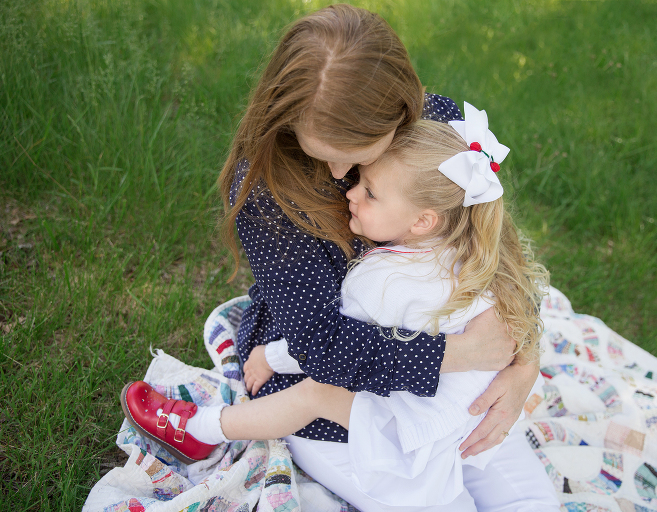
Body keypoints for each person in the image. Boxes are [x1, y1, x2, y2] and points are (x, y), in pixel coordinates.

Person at [120, 2, 544, 508]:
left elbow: (496, 243)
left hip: (453, 389)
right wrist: (465, 354)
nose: (342, 174)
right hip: (336, 396)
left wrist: (523, 364)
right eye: (323, 152)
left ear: (401, 112)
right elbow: (321, 345)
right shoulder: (268, 192)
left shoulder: (437, 128)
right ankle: (205, 430)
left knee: (531, 502)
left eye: (361, 153)